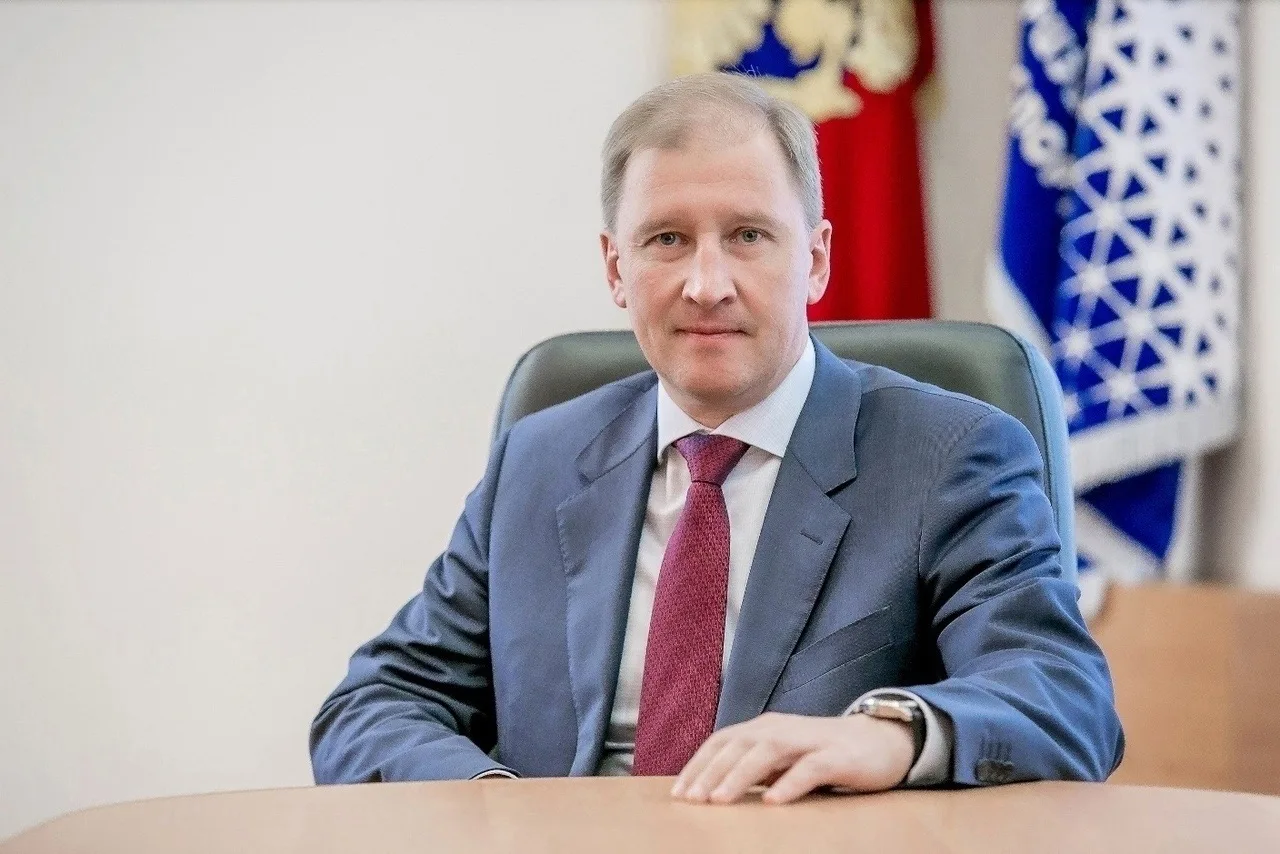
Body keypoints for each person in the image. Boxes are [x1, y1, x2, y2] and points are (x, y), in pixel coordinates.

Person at [310, 72, 1123, 804]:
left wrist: (888, 735)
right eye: (667, 239)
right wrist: (496, 806)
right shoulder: (539, 460)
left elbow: (1065, 696)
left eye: (748, 236)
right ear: (616, 268)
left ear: (816, 259)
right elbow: (375, 704)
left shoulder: (949, 455)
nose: (707, 284)